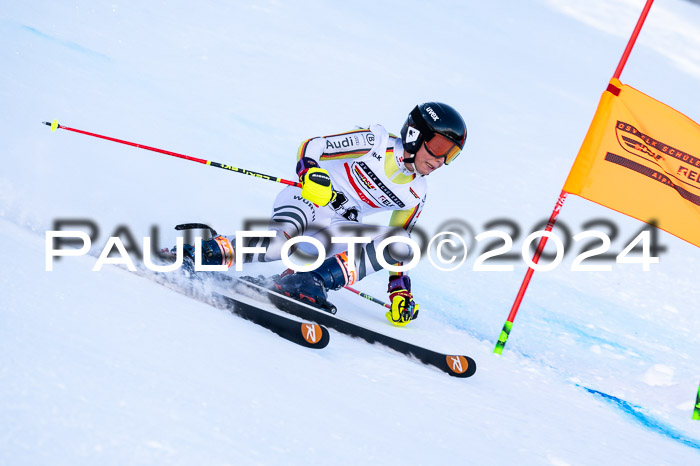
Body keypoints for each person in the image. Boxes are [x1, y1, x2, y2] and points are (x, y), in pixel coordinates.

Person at [183, 102, 467, 326]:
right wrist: (310, 172)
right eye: (439, 147)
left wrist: (399, 290)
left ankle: (309, 281)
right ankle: (207, 252)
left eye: (450, 155)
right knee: (280, 244)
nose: (440, 161)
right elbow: (315, 145)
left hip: (334, 233)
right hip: (308, 202)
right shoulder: (375, 142)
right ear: (415, 135)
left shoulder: (417, 192)